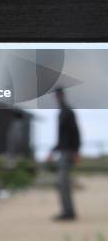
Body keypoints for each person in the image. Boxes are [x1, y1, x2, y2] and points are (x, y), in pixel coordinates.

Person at [48, 88, 81, 221]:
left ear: (62, 95)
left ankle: (69, 212)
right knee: (62, 184)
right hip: (63, 151)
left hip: (67, 152)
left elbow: (76, 133)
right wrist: (53, 151)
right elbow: (61, 138)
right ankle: (67, 211)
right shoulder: (62, 112)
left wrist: (76, 151)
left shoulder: (68, 112)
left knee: (63, 183)